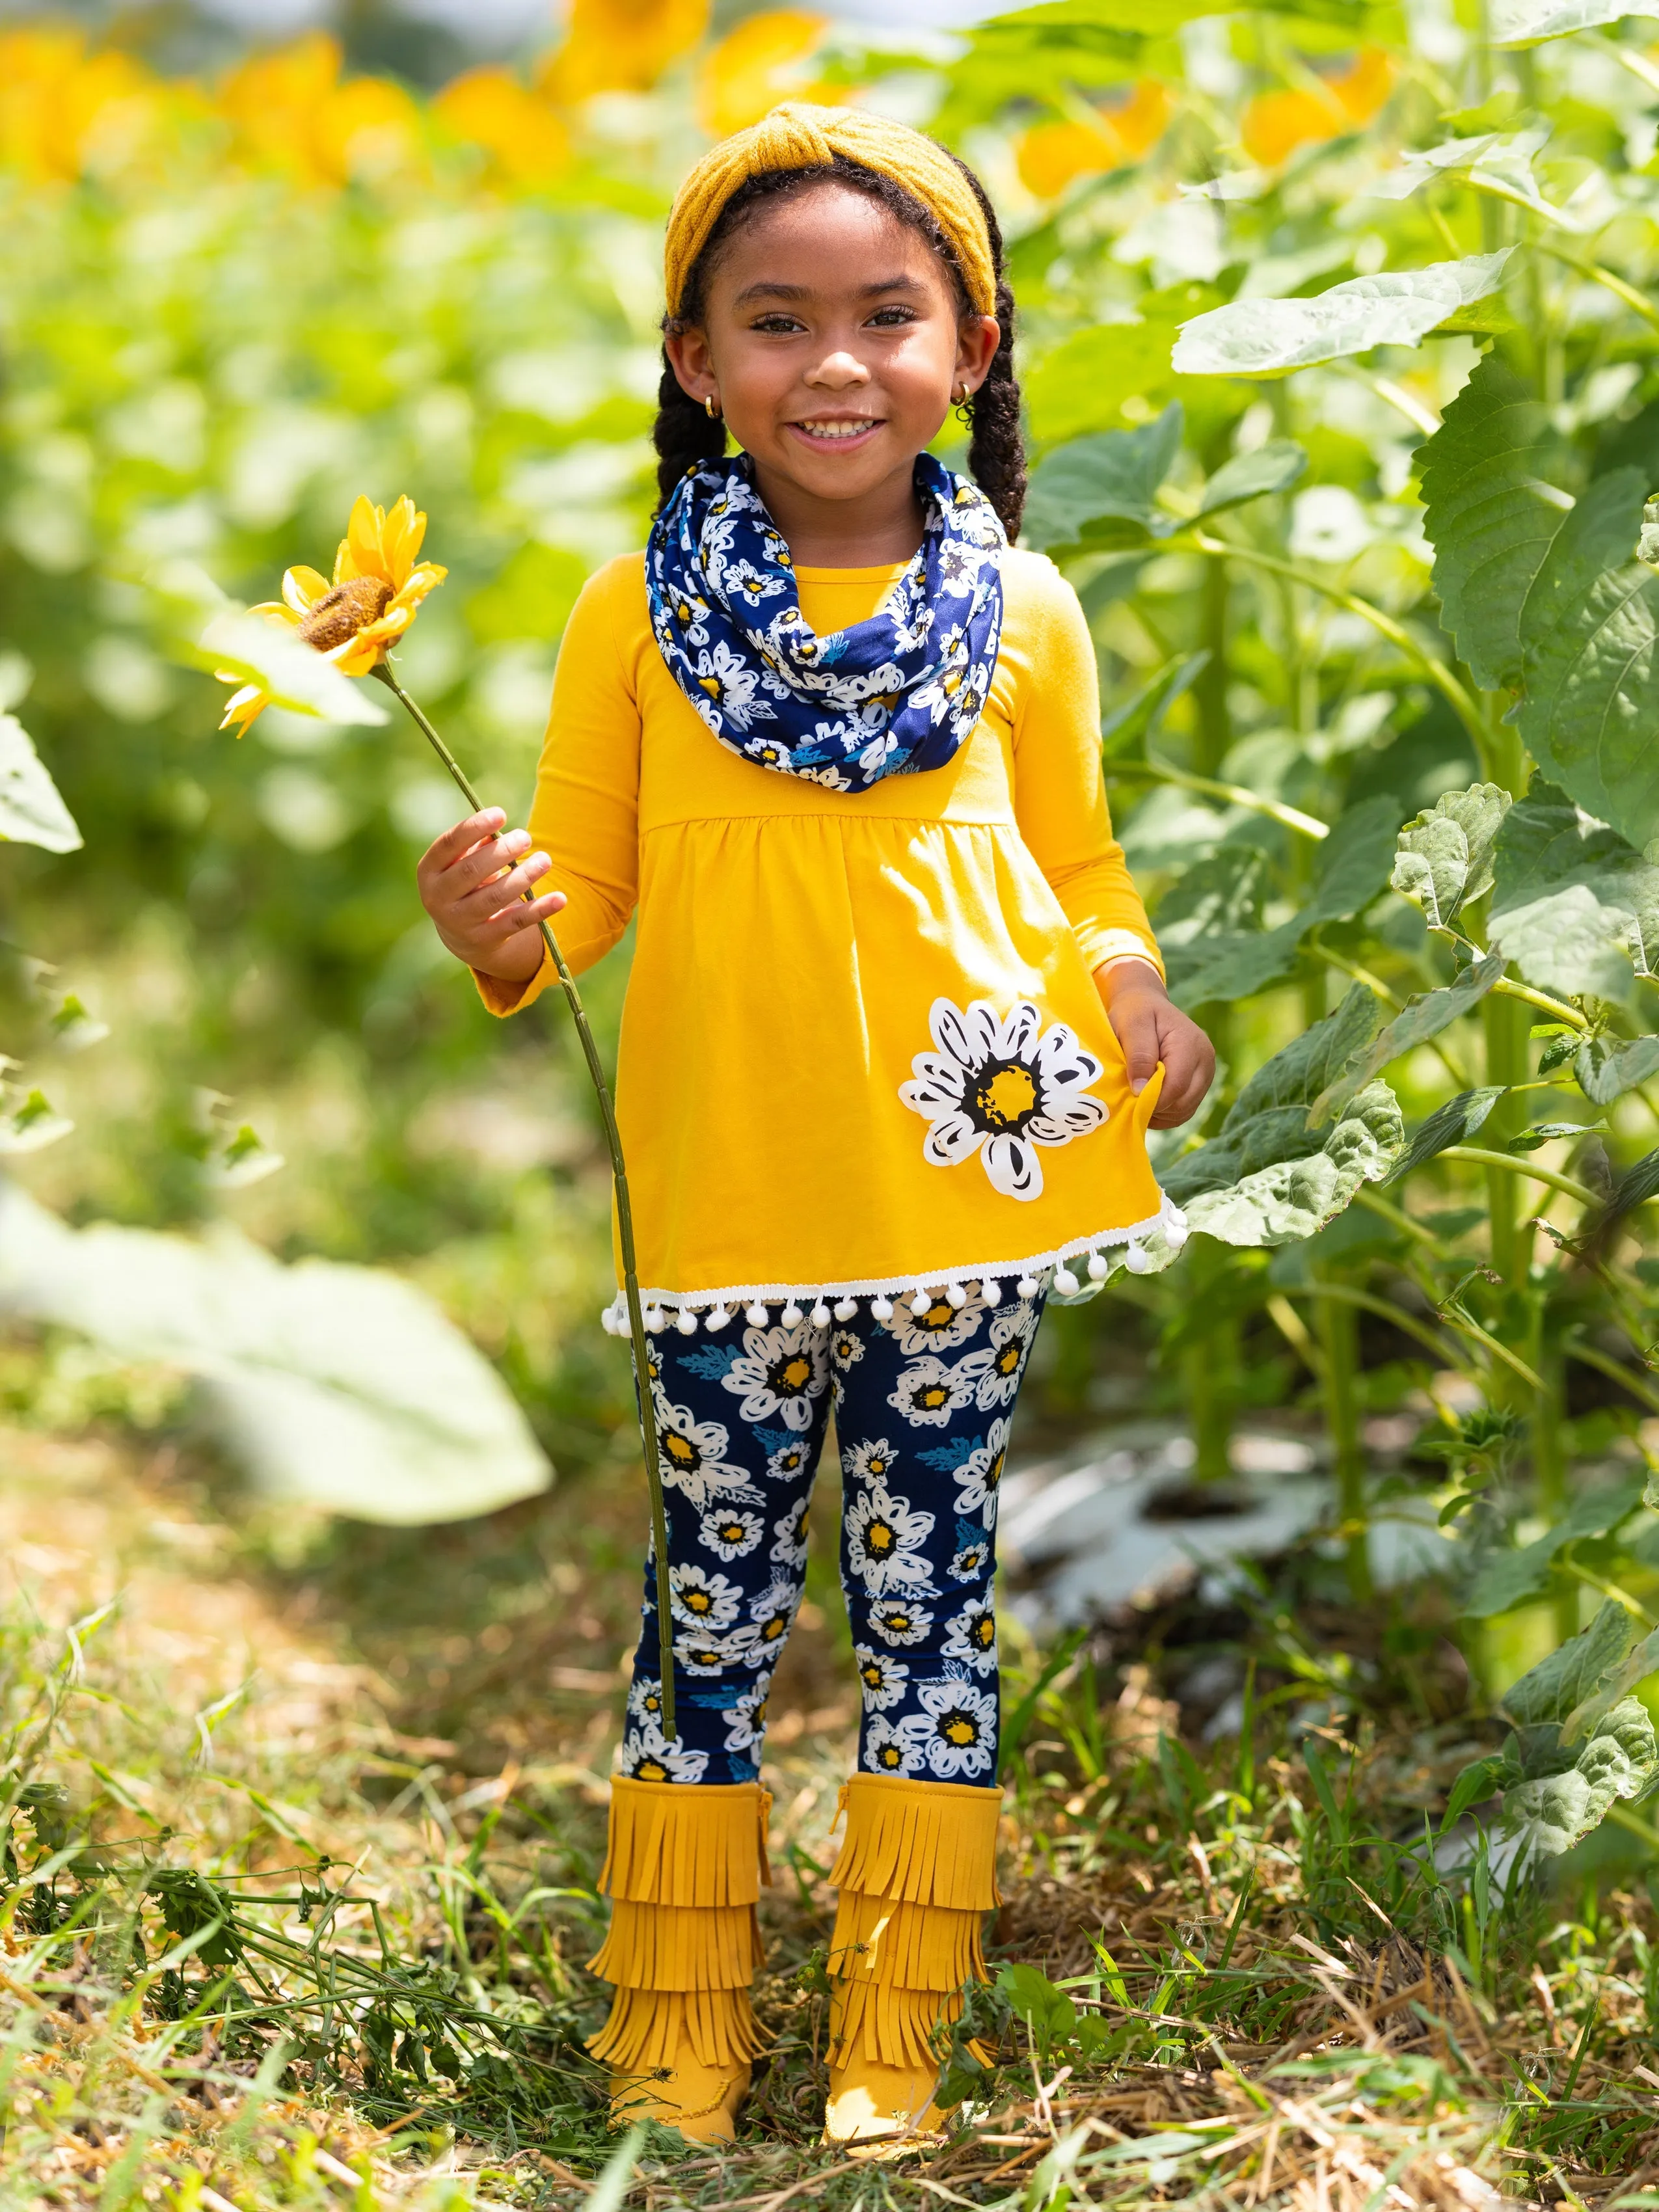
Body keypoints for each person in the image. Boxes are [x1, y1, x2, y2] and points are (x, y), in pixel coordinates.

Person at [416, 102, 1215, 2152]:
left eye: (887, 315)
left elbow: (1083, 870)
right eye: (774, 322)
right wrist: (500, 928)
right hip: (728, 1200)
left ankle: (893, 2034)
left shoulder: (1023, 609)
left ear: (974, 346)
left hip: (963, 1181)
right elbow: (579, 905)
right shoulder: (631, 614)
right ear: (695, 363)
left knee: (930, 1595)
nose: (834, 362)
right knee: (714, 1593)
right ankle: (676, 2027)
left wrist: (1129, 982)